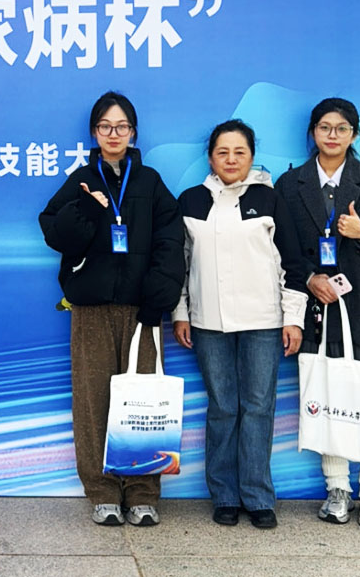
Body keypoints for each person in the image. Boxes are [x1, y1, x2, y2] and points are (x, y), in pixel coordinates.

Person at [39, 91, 185, 527]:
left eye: (121, 126)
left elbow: (170, 241)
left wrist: (158, 298)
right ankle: (102, 492)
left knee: (143, 402)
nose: (113, 134)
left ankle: (142, 493)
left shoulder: (151, 182)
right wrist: (87, 206)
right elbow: (56, 234)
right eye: (105, 126)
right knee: (92, 400)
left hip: (142, 309)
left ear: (133, 132)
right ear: (94, 132)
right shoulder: (83, 179)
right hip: (91, 309)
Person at [273, 97, 360, 529]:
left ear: (354, 134)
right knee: (326, 396)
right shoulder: (290, 184)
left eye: (342, 128)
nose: (332, 135)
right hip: (320, 305)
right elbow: (281, 247)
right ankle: (337, 488)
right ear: (312, 132)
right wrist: (310, 277)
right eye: (324, 127)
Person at [171, 120, 307, 529]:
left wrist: (293, 319)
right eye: (222, 152)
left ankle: (258, 496)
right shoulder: (191, 201)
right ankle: (225, 496)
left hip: (263, 321)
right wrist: (181, 312)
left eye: (240, 152)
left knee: (258, 407)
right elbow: (180, 264)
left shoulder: (269, 199)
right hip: (208, 323)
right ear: (210, 157)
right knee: (223, 407)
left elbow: (292, 263)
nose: (231, 160)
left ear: (252, 156)